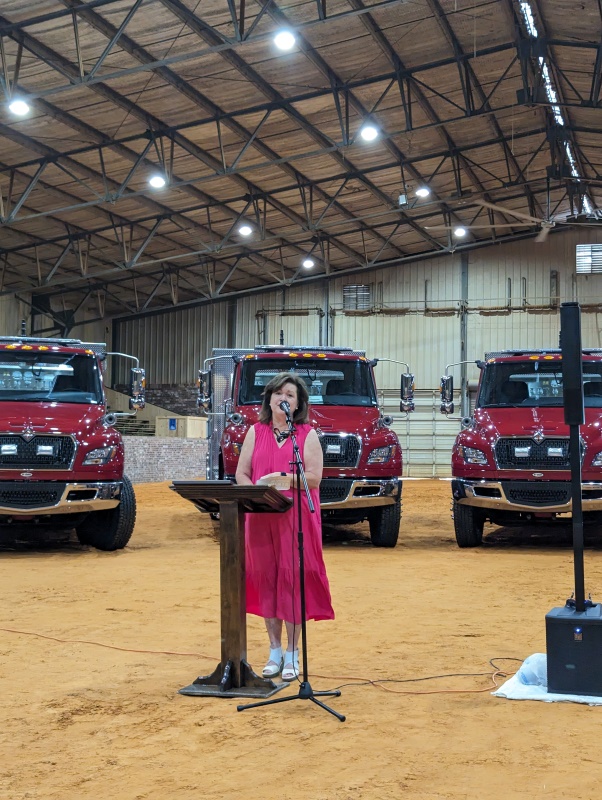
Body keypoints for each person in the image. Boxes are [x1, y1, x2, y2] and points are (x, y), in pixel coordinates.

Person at [235, 371, 334, 681]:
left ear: (299, 403)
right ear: (269, 400)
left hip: (295, 518)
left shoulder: (307, 434)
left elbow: (314, 478)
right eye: (278, 393)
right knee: (266, 580)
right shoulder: (255, 432)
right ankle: (274, 651)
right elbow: (241, 473)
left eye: (290, 395)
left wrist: (284, 479)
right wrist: (254, 493)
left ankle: (293, 653)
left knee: (292, 582)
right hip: (260, 517)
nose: (283, 398)